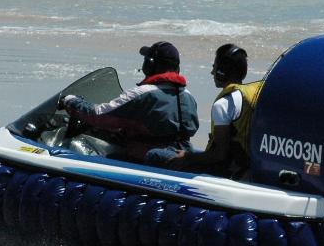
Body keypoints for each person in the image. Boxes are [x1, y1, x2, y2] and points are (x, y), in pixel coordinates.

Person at [60, 41, 198, 165]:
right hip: (178, 156)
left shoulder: (143, 93)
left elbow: (99, 115)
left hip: (145, 158)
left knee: (92, 162)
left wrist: (71, 102)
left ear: (149, 64)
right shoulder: (188, 97)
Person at [170, 43, 263, 176]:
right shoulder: (254, 93)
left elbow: (219, 155)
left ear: (221, 72)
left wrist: (187, 158)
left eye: (215, 67)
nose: (212, 72)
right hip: (247, 165)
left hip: (226, 170)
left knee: (156, 155)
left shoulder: (223, 104)